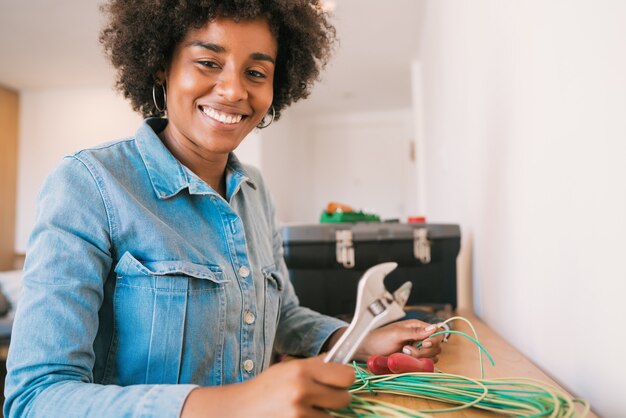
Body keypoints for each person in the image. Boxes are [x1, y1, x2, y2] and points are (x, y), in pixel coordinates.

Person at [3, 1, 444, 417]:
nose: (234, 90)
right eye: (208, 62)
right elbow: (36, 396)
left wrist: (360, 338)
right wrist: (235, 405)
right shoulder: (89, 185)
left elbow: (282, 314)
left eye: (256, 71)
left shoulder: (255, 191)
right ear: (162, 65)